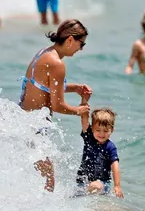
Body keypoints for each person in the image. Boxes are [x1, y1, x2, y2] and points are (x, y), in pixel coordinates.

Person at [18, 20, 92, 192]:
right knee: (48, 183)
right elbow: (57, 105)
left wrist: (75, 88)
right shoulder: (57, 64)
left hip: (23, 119)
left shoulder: (45, 53)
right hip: (34, 127)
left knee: (37, 179)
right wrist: (79, 111)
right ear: (71, 40)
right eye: (82, 44)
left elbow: (44, 87)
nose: (81, 49)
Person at [76, 107, 124, 198]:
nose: (102, 134)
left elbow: (115, 165)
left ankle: (85, 195)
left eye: (106, 131)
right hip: (82, 182)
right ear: (92, 128)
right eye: (98, 130)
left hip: (103, 184)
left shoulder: (110, 147)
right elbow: (84, 118)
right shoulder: (88, 139)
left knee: (96, 186)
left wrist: (117, 186)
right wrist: (85, 99)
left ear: (112, 130)